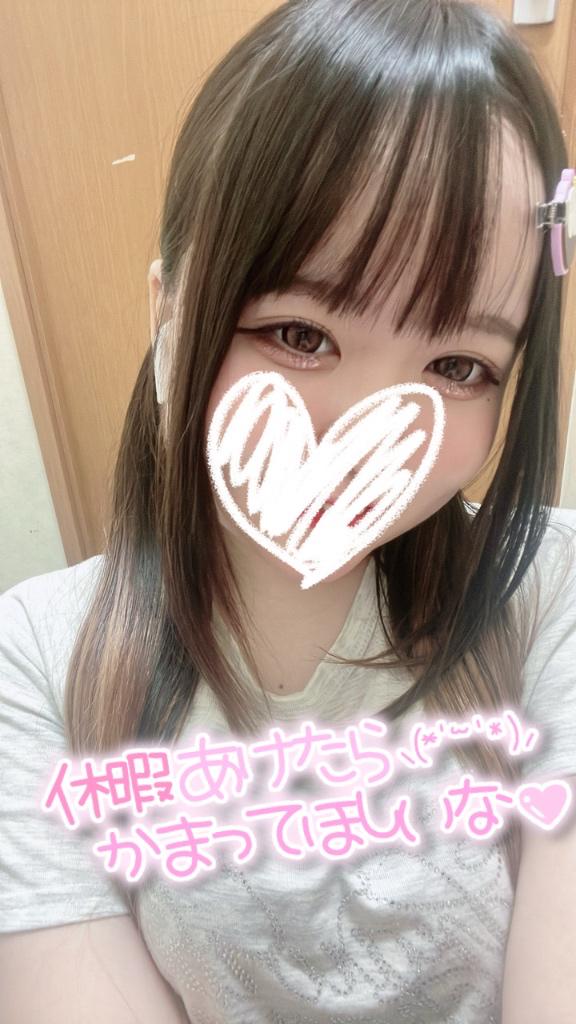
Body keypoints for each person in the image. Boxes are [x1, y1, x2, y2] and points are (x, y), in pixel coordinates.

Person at [1, 0, 575, 1021]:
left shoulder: (549, 594)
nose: (371, 431)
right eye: (301, 334)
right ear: (168, 309)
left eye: (459, 365)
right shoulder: (39, 662)